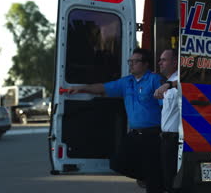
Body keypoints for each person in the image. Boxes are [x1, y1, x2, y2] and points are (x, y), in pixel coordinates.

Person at [68, 48, 164, 193]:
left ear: (146, 64)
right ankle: (149, 177)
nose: (131, 64)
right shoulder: (126, 82)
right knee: (117, 163)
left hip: (153, 135)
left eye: (135, 61)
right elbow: (102, 88)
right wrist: (81, 88)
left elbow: (165, 106)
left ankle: (153, 180)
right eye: (129, 62)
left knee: (153, 184)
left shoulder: (155, 80)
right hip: (134, 134)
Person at [154, 48, 179, 193]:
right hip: (166, 138)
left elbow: (184, 82)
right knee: (167, 181)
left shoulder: (177, 80)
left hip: (174, 138)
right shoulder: (169, 82)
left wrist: (168, 85)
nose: (160, 63)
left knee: (172, 183)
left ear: (175, 62)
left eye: (164, 60)